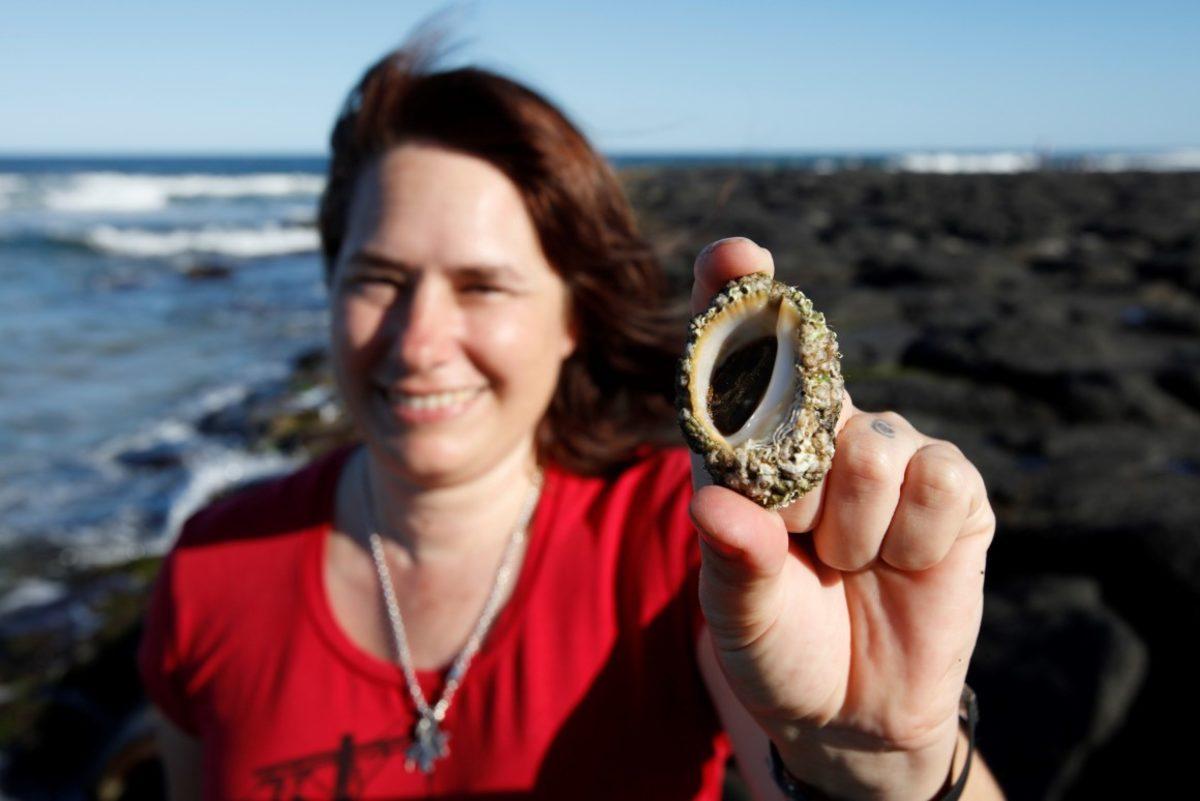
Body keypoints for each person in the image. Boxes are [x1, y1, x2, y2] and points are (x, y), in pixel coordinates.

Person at [138, 38, 1006, 801]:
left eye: (483, 285)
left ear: (571, 318)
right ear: (328, 288)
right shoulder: (211, 570)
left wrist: (884, 763)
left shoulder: (693, 545)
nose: (418, 341)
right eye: (377, 279)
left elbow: (841, 739)